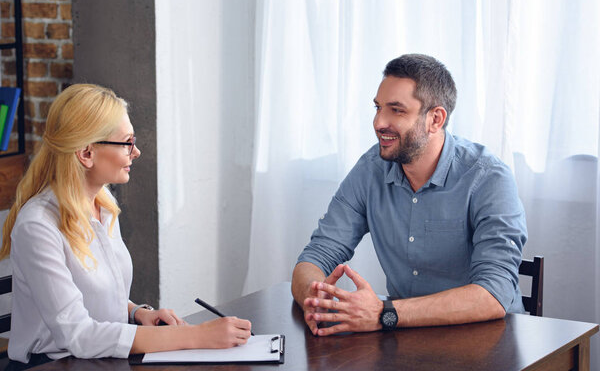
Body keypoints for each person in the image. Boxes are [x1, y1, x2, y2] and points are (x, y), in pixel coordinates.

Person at [0, 84, 251, 367]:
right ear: (86, 153)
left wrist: (135, 313)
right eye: (127, 142)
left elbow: (96, 292)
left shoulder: (103, 202)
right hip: (51, 364)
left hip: (99, 358)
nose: (137, 152)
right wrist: (197, 336)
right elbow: (78, 334)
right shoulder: (37, 227)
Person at [292, 54, 527, 336]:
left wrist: (384, 313)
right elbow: (315, 256)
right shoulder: (370, 171)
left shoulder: (488, 177)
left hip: (489, 340)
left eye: (397, 110)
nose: (379, 122)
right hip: (405, 337)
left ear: (435, 119)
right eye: (378, 108)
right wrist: (314, 298)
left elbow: (493, 294)